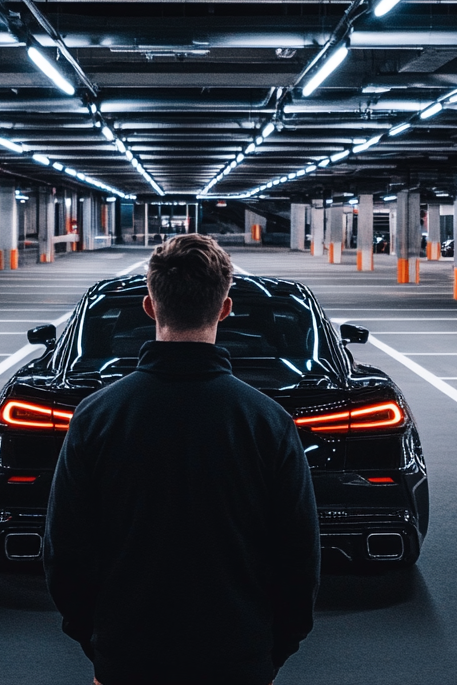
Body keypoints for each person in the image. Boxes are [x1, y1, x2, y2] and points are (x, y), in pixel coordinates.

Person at [44, 234, 320, 685]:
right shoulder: (268, 422)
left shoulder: (96, 418)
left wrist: (101, 647)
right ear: (225, 309)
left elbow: (64, 553)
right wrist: (269, 654)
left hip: (127, 660)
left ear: (150, 307)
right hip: (239, 661)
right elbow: (299, 559)